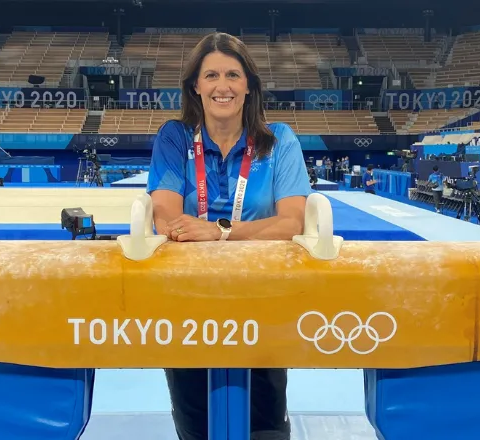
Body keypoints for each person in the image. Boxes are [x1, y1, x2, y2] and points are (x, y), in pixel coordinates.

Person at [145, 32, 311, 440]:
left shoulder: (279, 142)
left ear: (249, 85)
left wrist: (218, 231)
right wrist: (198, 229)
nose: (223, 86)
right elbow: (165, 216)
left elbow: (293, 223)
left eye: (234, 75)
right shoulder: (175, 137)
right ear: (195, 86)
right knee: (196, 430)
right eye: (212, 75)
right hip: (187, 305)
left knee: (265, 431)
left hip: (262, 304)